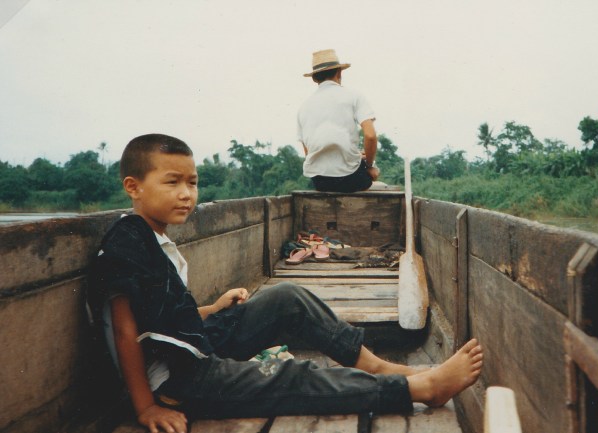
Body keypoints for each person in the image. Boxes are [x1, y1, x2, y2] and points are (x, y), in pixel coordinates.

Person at [88, 133, 483, 433]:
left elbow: (161, 318)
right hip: (179, 382)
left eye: (192, 183)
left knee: (286, 299)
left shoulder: (150, 236)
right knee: (292, 377)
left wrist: (213, 309)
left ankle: (378, 367)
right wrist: (145, 408)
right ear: (133, 187)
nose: (186, 194)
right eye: (172, 182)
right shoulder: (128, 244)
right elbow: (126, 332)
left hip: (194, 348)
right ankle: (418, 390)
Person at [297, 49, 381, 192]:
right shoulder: (354, 96)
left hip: (320, 182)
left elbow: (308, 151)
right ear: (339, 73)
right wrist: (369, 165)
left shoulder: (303, 107)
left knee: (357, 159)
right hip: (350, 178)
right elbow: (371, 136)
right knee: (374, 172)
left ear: (314, 78)